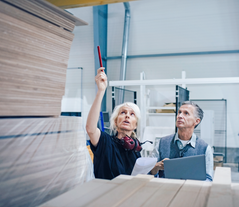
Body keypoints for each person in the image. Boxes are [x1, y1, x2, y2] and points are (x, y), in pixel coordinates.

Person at [86, 67, 141, 180]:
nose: (127, 116)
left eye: (132, 114)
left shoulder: (135, 149)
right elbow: (91, 129)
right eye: (123, 112)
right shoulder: (105, 142)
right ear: (115, 121)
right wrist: (101, 91)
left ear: (135, 125)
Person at [150, 101, 213, 181]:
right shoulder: (162, 143)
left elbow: (208, 179)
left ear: (196, 121)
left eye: (186, 113)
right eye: (179, 112)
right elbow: (148, 172)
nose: (179, 116)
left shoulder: (204, 148)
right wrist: (157, 166)